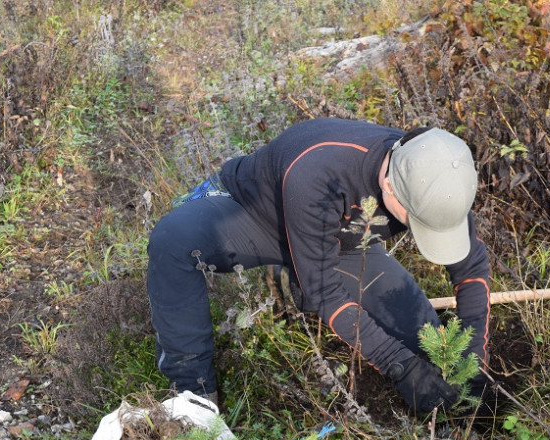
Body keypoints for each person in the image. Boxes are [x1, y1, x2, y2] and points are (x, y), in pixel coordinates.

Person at [146, 117, 490, 413]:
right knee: (173, 242)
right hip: (256, 216)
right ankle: (194, 399)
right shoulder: (321, 170)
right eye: (416, 222)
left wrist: (473, 362)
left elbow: (472, 266)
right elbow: (326, 292)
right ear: (388, 187)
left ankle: (296, 278)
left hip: (342, 241)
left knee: (427, 343)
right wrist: (399, 367)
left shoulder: (436, 175)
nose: (420, 231)